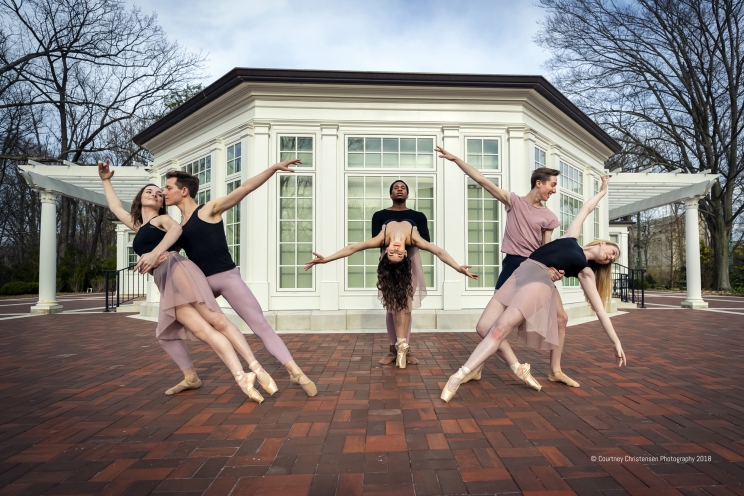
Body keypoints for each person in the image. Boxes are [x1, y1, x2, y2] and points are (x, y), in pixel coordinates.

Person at [440, 175, 627, 402]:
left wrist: (616, 342)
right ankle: (514, 367)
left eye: (612, 260)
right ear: (602, 243)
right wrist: (603, 190)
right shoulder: (571, 237)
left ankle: (458, 376)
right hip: (519, 273)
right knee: (484, 326)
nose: (610, 258)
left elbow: (600, 311)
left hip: (538, 282)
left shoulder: (585, 272)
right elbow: (586, 209)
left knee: (500, 328)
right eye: (612, 252)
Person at [98, 160, 271, 403]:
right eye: (150, 191)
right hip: (166, 281)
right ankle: (208, 377)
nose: (156, 194)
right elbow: (115, 207)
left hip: (178, 271)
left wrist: (155, 252)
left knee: (215, 322)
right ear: (140, 198)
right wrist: (106, 180)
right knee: (178, 333)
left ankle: (254, 369)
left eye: (160, 194)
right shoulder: (139, 225)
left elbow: (176, 231)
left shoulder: (163, 220)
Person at [161, 159, 317, 396]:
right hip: (201, 285)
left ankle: (295, 372)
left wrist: (273, 168)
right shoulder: (177, 227)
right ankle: (190, 375)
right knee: (170, 325)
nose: (164, 192)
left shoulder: (208, 209)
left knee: (259, 325)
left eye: (168, 187)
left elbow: (245, 188)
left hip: (227, 277)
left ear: (184, 191)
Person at [437, 146, 572, 390]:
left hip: (534, 269)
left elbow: (546, 248)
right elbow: (482, 180)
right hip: (512, 265)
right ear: (538, 183)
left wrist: (554, 269)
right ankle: (476, 368)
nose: (554, 190)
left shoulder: (549, 216)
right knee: (491, 325)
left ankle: (555, 370)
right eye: (552, 185)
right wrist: (457, 159)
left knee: (561, 318)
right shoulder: (514, 202)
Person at [305, 217, 477, 369]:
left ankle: (401, 345)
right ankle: (401, 345)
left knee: (404, 306)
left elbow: (353, 247)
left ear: (386, 251)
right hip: (398, 271)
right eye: (398, 253)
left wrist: (326, 259)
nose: (395, 249)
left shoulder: (384, 237)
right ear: (404, 254)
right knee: (396, 305)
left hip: (406, 269)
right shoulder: (412, 238)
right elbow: (438, 251)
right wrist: (458, 268)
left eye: (393, 252)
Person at [371, 180, 431, 365]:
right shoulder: (380, 215)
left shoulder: (418, 216)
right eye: (395, 188)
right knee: (392, 305)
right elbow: (377, 240)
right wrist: (396, 245)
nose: (399, 189)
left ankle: (405, 349)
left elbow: (426, 240)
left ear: (407, 194)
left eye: (402, 188)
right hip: (389, 263)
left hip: (409, 262)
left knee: (406, 305)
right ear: (390, 194)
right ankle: (392, 350)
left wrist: (403, 240)